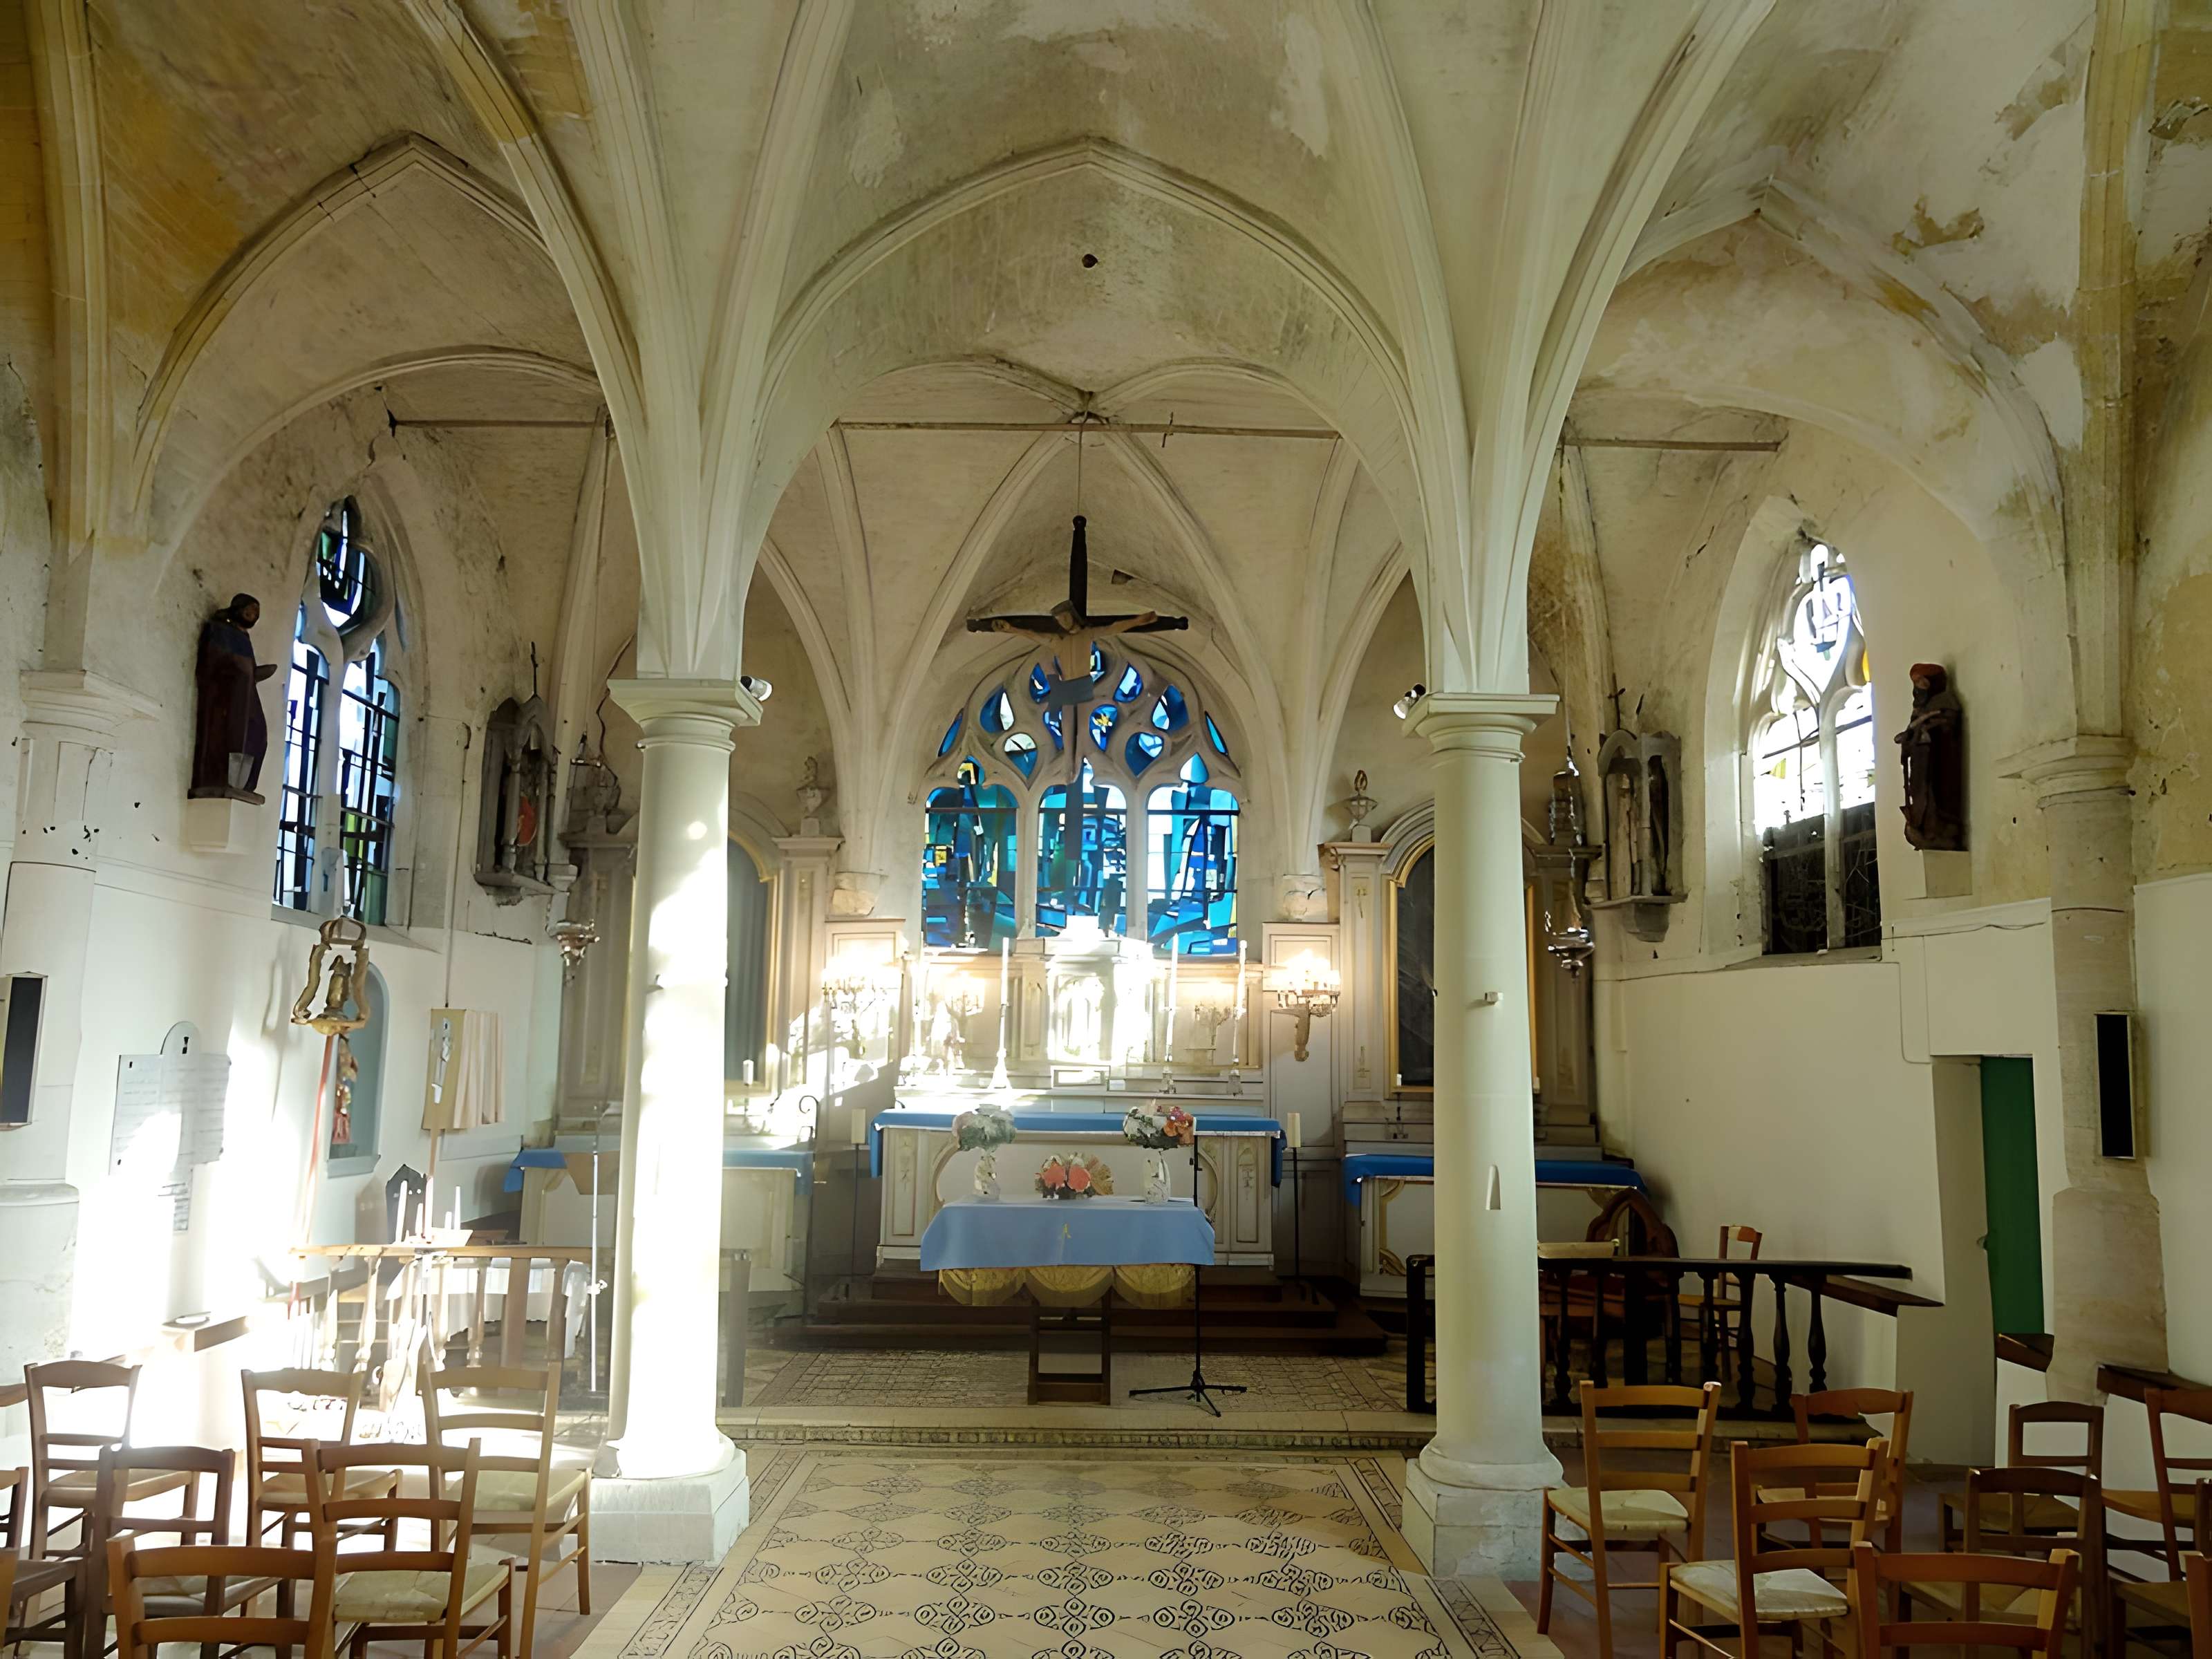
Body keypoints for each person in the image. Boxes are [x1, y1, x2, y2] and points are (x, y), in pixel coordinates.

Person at [190, 592, 278, 801]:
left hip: (247, 694)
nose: (253, 613)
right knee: (229, 736)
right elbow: (210, 662)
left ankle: (245, 784)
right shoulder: (219, 629)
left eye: (257, 611)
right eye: (250, 608)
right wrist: (237, 667)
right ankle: (222, 779)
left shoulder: (244, 638)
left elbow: (249, 670)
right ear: (237, 608)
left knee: (258, 735)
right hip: (226, 696)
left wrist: (257, 672)